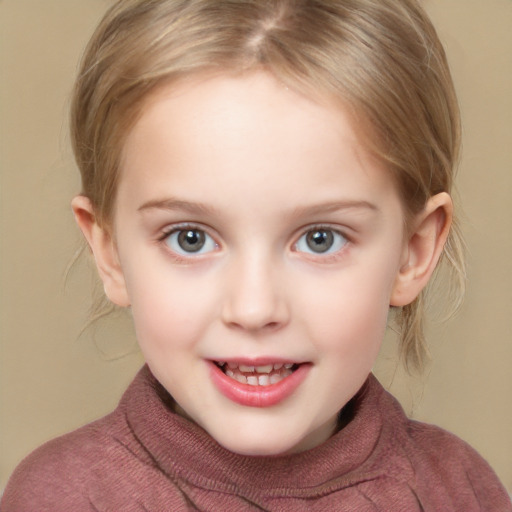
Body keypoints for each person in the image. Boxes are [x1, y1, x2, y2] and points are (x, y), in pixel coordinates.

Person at [2, 0, 511, 510]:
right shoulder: (62, 497)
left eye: (320, 239)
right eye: (190, 238)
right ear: (109, 252)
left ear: (413, 251)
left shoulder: (459, 491)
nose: (253, 309)